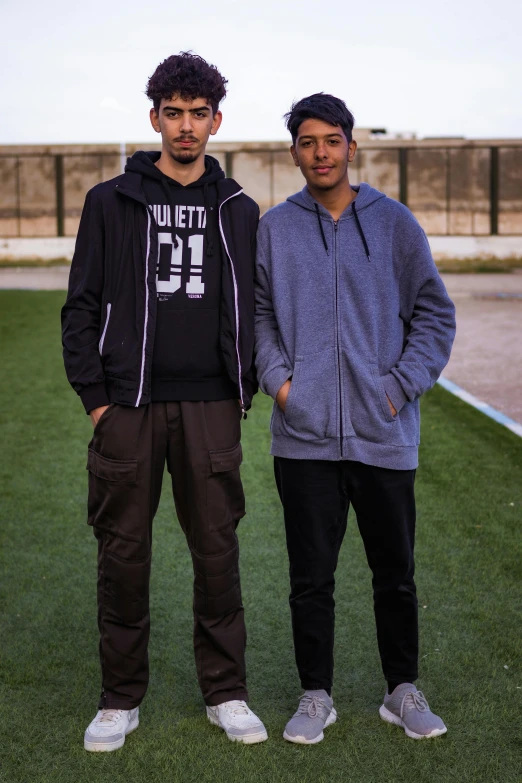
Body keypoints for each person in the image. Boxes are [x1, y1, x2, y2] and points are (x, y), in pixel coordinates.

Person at [62, 51, 267, 751]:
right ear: (154, 118)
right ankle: (120, 697)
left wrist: (244, 384)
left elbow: (254, 306)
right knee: (123, 552)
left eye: (198, 114)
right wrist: (97, 401)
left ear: (216, 120)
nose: (186, 126)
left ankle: (227, 691)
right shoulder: (110, 201)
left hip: (210, 405)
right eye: (173, 113)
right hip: (129, 407)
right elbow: (80, 307)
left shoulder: (239, 207)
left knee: (217, 552)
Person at [254, 93, 456, 745]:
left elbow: (434, 313)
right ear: (295, 152)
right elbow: (257, 315)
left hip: (383, 434)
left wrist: (399, 387)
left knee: (394, 573)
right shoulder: (275, 228)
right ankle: (316, 694)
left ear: (351, 145)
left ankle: (402, 690)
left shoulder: (394, 224)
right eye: (307, 142)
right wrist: (284, 387)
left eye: (331, 140)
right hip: (304, 437)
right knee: (310, 578)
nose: (320, 153)